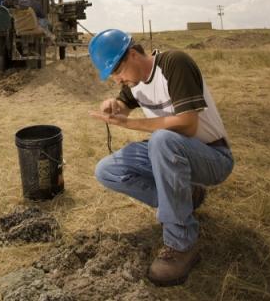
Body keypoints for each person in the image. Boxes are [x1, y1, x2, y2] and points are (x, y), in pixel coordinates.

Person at [88, 29, 234, 286]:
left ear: (133, 54)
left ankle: (181, 244)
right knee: (106, 170)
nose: (117, 79)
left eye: (117, 71)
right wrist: (112, 105)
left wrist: (130, 125)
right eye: (111, 75)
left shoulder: (174, 63)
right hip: (171, 151)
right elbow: (124, 104)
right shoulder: (135, 82)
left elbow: (187, 125)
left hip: (212, 156)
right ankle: (185, 197)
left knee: (162, 139)